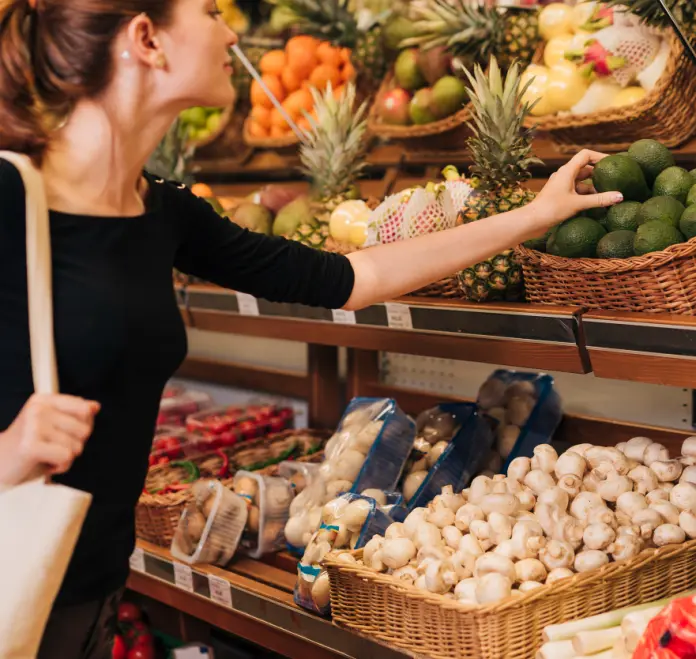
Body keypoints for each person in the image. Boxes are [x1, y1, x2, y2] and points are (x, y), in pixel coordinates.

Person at [0, 0, 623, 656]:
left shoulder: (163, 212)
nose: (231, 31)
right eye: (211, 12)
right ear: (147, 40)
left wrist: (533, 215)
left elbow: (352, 279)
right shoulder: (12, 199)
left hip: (82, 590)